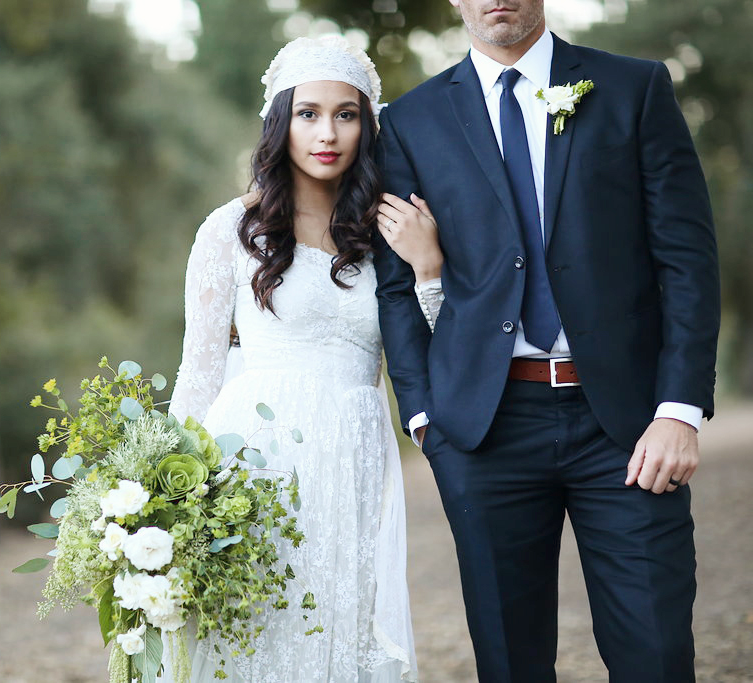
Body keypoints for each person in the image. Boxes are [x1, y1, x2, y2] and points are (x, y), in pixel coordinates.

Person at [374, 1, 720, 681]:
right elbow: (393, 287)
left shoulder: (634, 88)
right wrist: (423, 415)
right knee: (511, 662)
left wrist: (678, 409)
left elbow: (687, 260)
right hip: (484, 429)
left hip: (624, 425)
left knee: (656, 653)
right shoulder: (410, 123)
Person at [169, 36, 434, 682]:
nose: (328, 132)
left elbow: (424, 355)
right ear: (280, 122)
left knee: (342, 629)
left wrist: (428, 268)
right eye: (308, 113)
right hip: (252, 462)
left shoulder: (388, 234)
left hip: (355, 456)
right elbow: (197, 377)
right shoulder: (229, 231)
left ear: (367, 127)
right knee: (254, 635)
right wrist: (162, 499)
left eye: (347, 115)